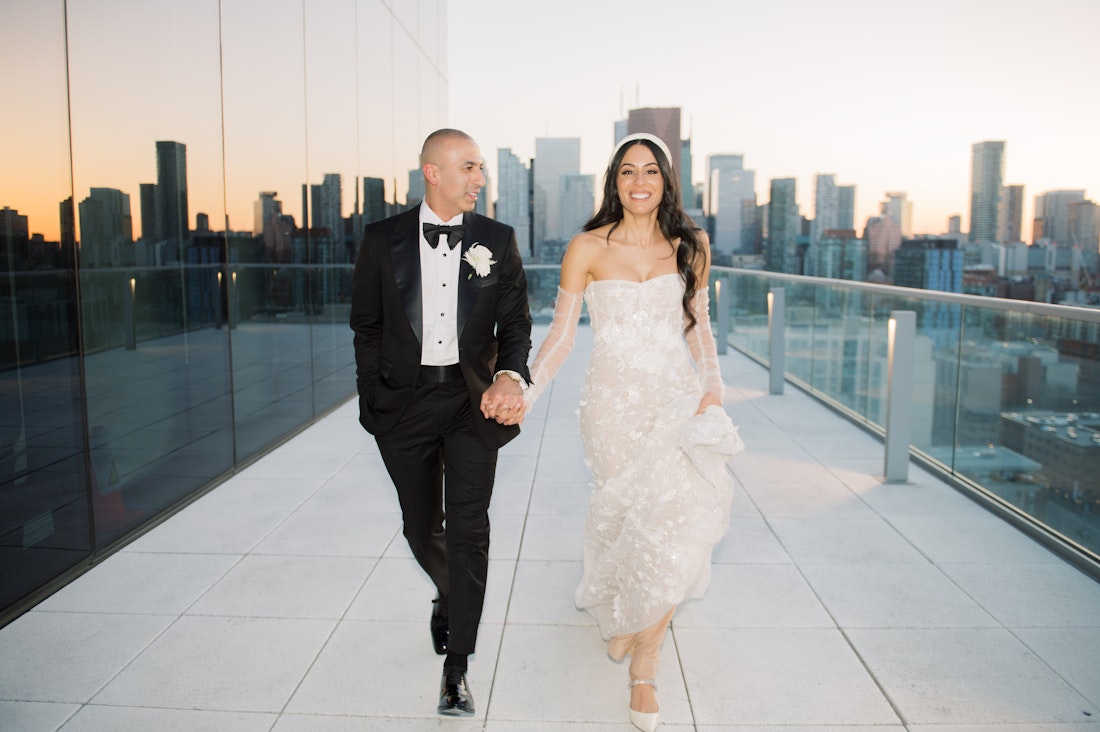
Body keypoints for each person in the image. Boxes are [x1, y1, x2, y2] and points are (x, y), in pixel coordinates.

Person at [514, 133, 740, 731]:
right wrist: (526, 394)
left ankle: (646, 664)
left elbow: (700, 329)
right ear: (613, 182)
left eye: (651, 173)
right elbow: (561, 336)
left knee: (675, 522)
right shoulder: (587, 247)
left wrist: (712, 385)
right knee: (626, 522)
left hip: (675, 401)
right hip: (611, 408)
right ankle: (626, 617)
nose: (639, 183)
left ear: (666, 182)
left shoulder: (692, 246)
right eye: (626, 173)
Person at [349, 128, 532, 717]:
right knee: (420, 525)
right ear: (433, 172)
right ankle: (450, 595)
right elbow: (367, 325)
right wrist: (371, 393)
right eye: (470, 167)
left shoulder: (497, 241)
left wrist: (512, 376)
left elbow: (517, 328)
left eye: (481, 167)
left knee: (469, 532)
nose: (480, 178)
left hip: (471, 404)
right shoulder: (382, 240)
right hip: (402, 404)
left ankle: (458, 666)